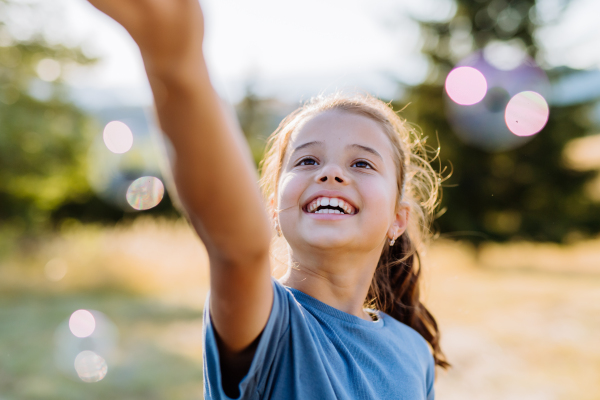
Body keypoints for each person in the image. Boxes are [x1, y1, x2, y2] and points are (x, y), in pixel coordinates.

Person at [89, 0, 449, 399]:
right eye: (307, 160)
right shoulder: (270, 322)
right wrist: (176, 63)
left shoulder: (414, 352)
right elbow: (238, 249)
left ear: (398, 219)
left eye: (362, 163)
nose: (330, 173)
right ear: (274, 211)